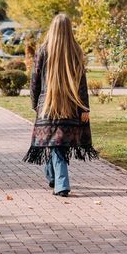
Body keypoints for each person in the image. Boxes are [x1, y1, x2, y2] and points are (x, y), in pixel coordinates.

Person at [23, 14, 98, 196]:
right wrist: (84, 107)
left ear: (52, 29)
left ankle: (62, 184)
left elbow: (34, 80)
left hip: (47, 106)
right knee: (56, 143)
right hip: (70, 107)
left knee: (57, 144)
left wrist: (35, 104)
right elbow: (82, 82)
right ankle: (53, 177)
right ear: (68, 29)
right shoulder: (76, 51)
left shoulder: (43, 50)